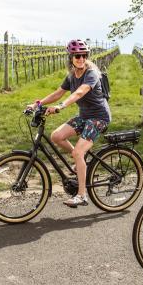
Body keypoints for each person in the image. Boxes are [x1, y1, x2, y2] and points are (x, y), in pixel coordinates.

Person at [26, 39, 111, 208]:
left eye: (84, 55)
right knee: (56, 136)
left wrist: (61, 106)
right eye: (77, 55)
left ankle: (82, 195)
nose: (81, 58)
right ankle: (80, 160)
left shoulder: (92, 73)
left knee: (78, 153)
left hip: (99, 118)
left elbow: (80, 92)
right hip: (85, 116)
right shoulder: (72, 75)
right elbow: (58, 93)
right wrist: (38, 104)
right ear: (71, 57)